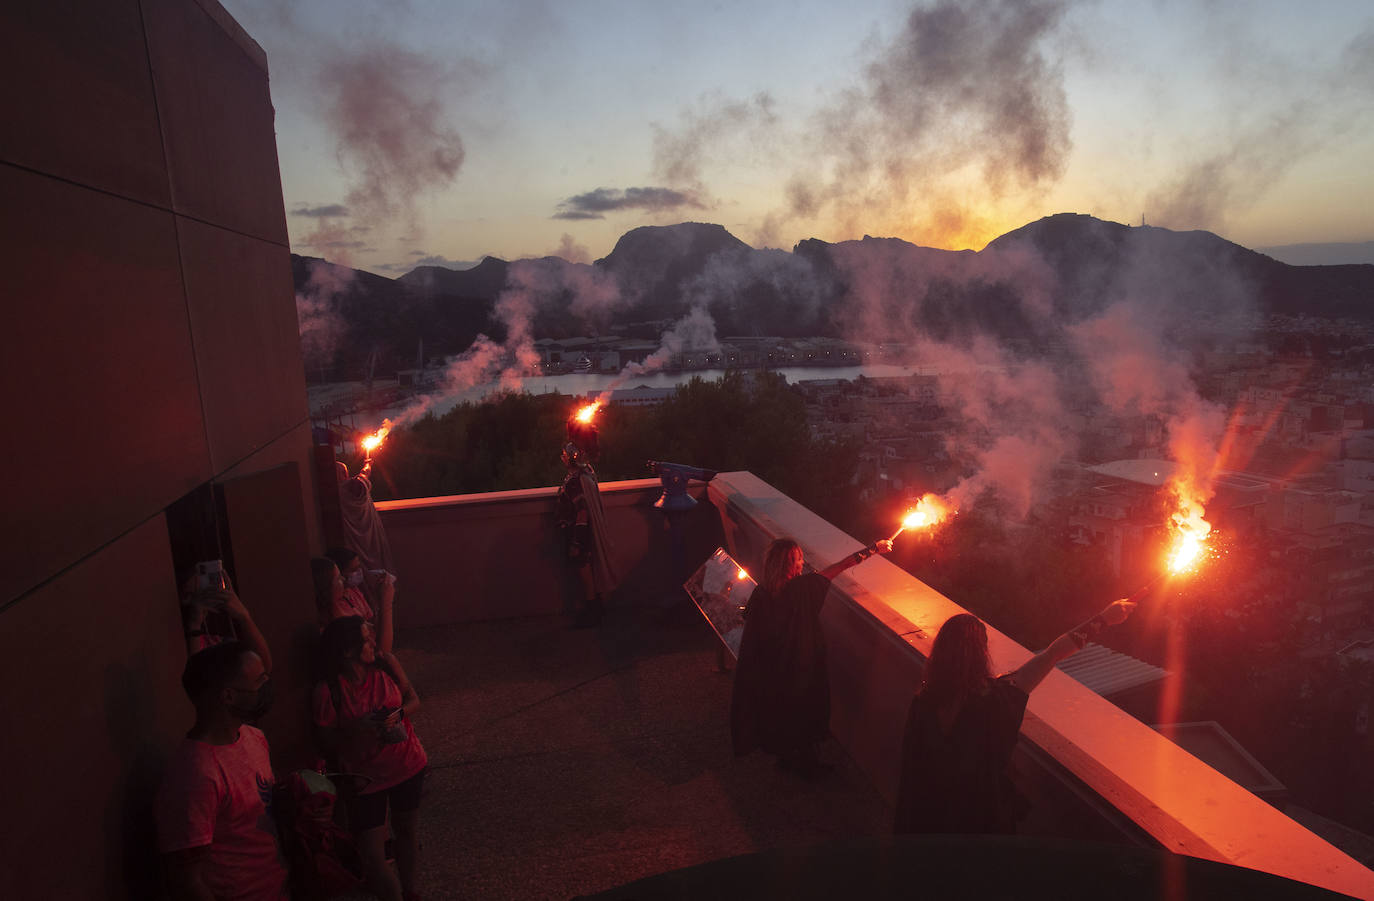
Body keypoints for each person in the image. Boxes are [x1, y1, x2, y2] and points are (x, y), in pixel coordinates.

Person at [893, 599, 1137, 835]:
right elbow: (1053, 654)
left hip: (927, 828)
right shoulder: (998, 698)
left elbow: (911, 771)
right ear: (983, 652)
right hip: (981, 826)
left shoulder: (923, 703)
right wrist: (1104, 619)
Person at [731, 536, 894, 776]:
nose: (802, 562)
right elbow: (840, 567)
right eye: (798, 558)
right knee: (804, 711)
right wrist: (873, 550)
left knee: (781, 712)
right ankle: (806, 765)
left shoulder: (761, 594)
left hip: (772, 672)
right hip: (800, 668)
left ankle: (786, 756)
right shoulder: (802, 589)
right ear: (789, 565)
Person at [156, 641, 288, 900]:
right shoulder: (196, 774)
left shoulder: (253, 737)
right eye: (259, 681)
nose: (266, 687)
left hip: (276, 886)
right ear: (228, 696)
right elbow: (187, 878)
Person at [313, 616, 427, 901]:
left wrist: (396, 716)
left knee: (407, 832)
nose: (373, 643)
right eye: (366, 639)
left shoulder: (386, 665)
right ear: (347, 650)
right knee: (373, 855)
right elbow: (326, 742)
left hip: (407, 763)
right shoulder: (329, 691)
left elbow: (413, 698)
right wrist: (355, 729)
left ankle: (412, 892)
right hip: (365, 779)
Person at [556, 416, 618, 627]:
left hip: (579, 534)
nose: (563, 455)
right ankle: (596, 606)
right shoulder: (587, 473)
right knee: (588, 567)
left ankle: (592, 608)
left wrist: (576, 541)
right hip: (585, 533)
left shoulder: (576, 480)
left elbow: (581, 512)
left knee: (583, 567)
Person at [312, 554, 394, 655]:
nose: (343, 580)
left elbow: (372, 629)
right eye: (338, 578)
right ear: (325, 588)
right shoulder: (335, 625)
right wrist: (386, 604)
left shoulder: (341, 601)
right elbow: (382, 652)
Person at [336, 459, 395, 574]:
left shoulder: (336, 493)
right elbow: (365, 474)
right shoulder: (356, 486)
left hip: (351, 542)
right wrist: (368, 464)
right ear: (345, 474)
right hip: (370, 540)